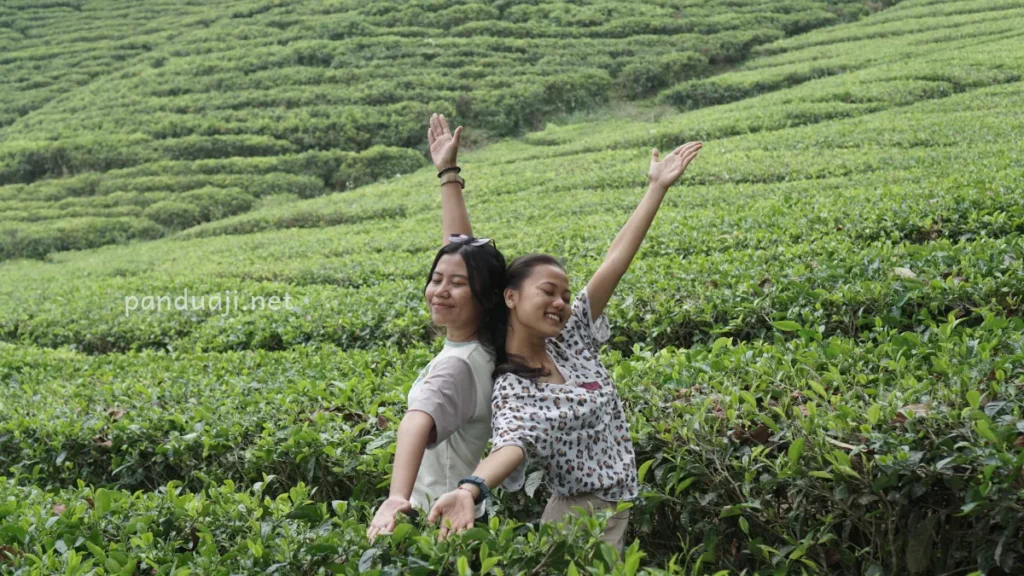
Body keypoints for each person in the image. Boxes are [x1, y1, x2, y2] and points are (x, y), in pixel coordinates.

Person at [427, 132, 703, 552]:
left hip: (614, 509)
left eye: (565, 294)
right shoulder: (512, 383)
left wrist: (656, 188)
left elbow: (615, 261)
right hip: (578, 520)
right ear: (511, 296)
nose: (560, 302)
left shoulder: (571, 338)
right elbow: (512, 445)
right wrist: (470, 491)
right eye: (547, 291)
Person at [366, 114, 507, 542]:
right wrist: (448, 176)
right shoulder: (487, 345)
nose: (440, 290)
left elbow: (416, 420)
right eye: (436, 279)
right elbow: (465, 258)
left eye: (456, 284)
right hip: (465, 520)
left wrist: (395, 497)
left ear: (482, 296)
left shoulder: (457, 367)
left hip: (429, 528)